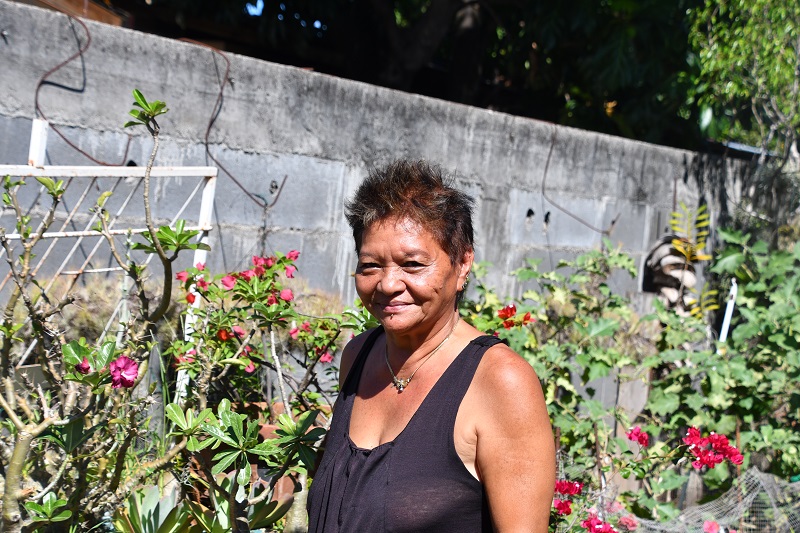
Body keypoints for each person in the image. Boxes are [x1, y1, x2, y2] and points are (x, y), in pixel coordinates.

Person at [307, 160, 555, 532]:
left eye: (412, 264)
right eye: (371, 264)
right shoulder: (358, 356)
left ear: (462, 263)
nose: (388, 284)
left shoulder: (501, 382)